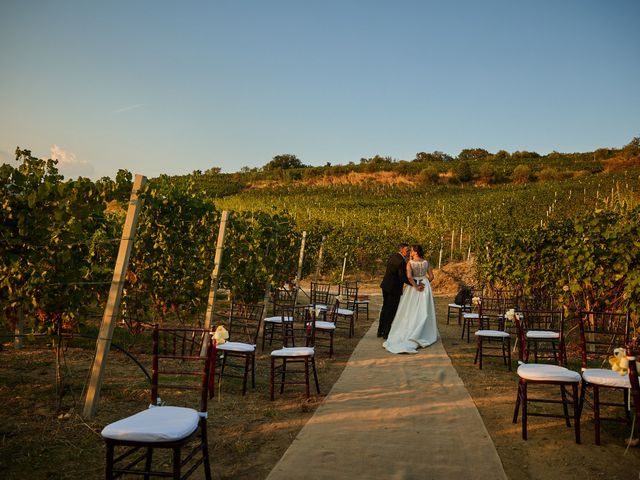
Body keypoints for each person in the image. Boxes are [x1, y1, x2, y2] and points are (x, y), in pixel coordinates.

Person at [383, 244, 438, 353]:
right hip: (425, 286)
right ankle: (423, 331)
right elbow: (431, 277)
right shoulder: (426, 262)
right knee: (424, 309)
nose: (410, 253)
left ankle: (409, 329)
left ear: (416, 252)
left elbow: (408, 277)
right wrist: (425, 283)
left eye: (412, 251)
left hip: (414, 287)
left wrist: (416, 286)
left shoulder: (410, 263)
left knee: (410, 309)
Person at [377, 243, 412, 339]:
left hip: (386, 286)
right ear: (401, 250)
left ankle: (380, 331)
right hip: (393, 289)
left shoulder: (393, 256)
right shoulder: (401, 261)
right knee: (391, 310)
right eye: (407, 250)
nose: (409, 252)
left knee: (385, 308)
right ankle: (386, 333)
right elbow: (402, 278)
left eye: (409, 250)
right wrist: (413, 284)